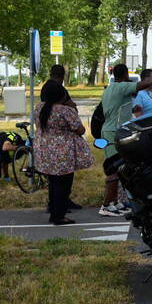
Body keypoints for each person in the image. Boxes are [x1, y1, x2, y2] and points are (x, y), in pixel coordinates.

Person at [99, 62, 152, 216]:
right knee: (113, 170)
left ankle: (114, 203)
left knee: (120, 168)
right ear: (125, 76)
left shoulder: (111, 88)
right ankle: (105, 206)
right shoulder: (121, 86)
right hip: (112, 132)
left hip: (114, 131)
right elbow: (147, 83)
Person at [35, 81, 94, 225]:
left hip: (45, 150)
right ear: (62, 95)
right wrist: (72, 107)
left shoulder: (40, 108)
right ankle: (59, 216)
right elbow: (80, 130)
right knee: (64, 185)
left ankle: (53, 211)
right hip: (63, 153)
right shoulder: (65, 111)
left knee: (53, 183)